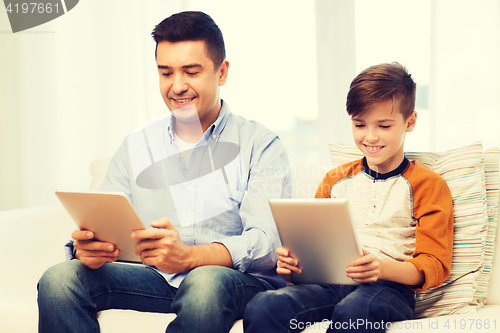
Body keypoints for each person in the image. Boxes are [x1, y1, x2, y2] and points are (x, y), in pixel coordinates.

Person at [37, 11, 290, 333]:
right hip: (155, 277)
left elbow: (266, 243)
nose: (177, 86)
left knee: (205, 281)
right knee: (60, 278)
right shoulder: (137, 144)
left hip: (232, 282)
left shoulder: (261, 144)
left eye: (191, 71)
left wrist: (190, 256)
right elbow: (104, 218)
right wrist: (91, 247)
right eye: (166, 72)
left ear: (222, 71)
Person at [243, 62, 454, 333]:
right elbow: (311, 257)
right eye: (359, 124)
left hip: (385, 289)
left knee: (355, 311)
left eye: (384, 125)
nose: (370, 136)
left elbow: (433, 265)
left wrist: (381, 268)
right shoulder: (335, 180)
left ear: (409, 121)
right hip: (326, 285)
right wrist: (290, 268)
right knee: (264, 305)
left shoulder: (428, 184)